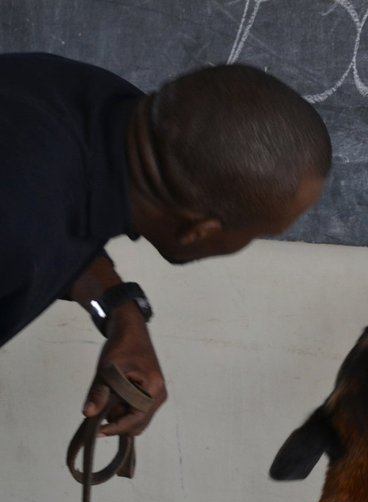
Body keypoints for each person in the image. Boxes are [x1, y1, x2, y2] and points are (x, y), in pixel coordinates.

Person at [0, 53, 332, 437]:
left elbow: (61, 224)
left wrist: (119, 310)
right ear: (199, 231)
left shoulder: (91, 104)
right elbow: (33, 226)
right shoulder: (19, 221)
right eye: (256, 233)